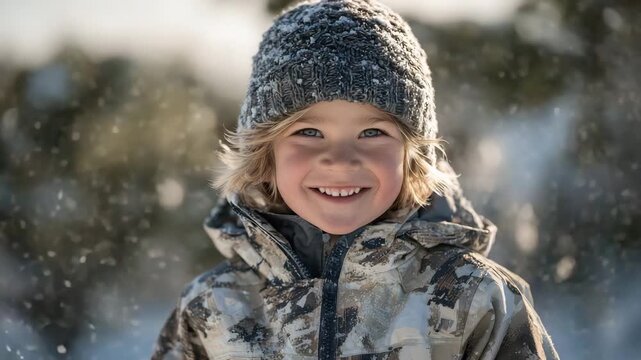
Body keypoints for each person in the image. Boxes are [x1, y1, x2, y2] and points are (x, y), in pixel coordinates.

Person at [151, 0, 560, 359]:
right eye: (308, 132)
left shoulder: (475, 296)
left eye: (372, 133)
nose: (341, 160)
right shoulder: (213, 307)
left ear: (411, 154)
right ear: (265, 154)